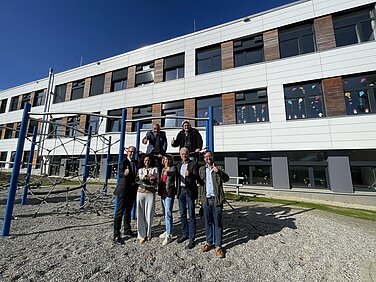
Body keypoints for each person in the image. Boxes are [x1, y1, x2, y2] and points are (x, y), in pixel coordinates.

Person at [198, 150, 229, 258]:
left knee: (217, 223)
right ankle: (208, 242)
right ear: (204, 159)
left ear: (212, 157)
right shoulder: (202, 170)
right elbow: (200, 184)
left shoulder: (219, 168)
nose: (208, 158)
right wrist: (199, 200)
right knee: (207, 222)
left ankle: (218, 246)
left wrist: (218, 172)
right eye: (206, 157)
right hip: (206, 200)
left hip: (217, 199)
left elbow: (226, 179)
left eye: (209, 156)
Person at [113, 146, 138, 245]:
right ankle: (116, 234)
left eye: (133, 152)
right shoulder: (123, 162)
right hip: (123, 190)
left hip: (132, 190)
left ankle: (127, 229)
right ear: (127, 152)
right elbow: (120, 173)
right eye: (130, 151)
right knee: (119, 212)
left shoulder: (136, 163)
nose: (132, 153)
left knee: (128, 211)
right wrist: (124, 173)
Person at [176, 147, 199, 249]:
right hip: (180, 191)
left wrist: (190, 175)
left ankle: (192, 238)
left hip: (189, 191)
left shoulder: (193, 164)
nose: (184, 155)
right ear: (180, 155)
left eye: (185, 154)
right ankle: (184, 234)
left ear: (188, 154)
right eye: (182, 154)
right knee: (182, 214)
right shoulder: (178, 165)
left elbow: (197, 177)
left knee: (192, 214)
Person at [136, 154, 159, 244]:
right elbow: (138, 180)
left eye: (148, 160)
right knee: (140, 214)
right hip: (140, 192)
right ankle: (141, 234)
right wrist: (143, 180)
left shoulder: (154, 169)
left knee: (149, 214)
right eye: (145, 160)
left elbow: (156, 181)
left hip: (150, 193)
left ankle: (148, 233)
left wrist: (152, 181)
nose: (147, 162)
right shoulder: (140, 170)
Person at [158, 154, 177, 246]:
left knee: (168, 212)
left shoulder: (173, 168)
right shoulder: (162, 169)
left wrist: (168, 173)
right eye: (165, 159)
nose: (166, 161)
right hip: (163, 193)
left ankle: (169, 235)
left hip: (169, 193)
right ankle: (168, 230)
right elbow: (161, 181)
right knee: (165, 213)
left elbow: (173, 173)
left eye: (168, 159)